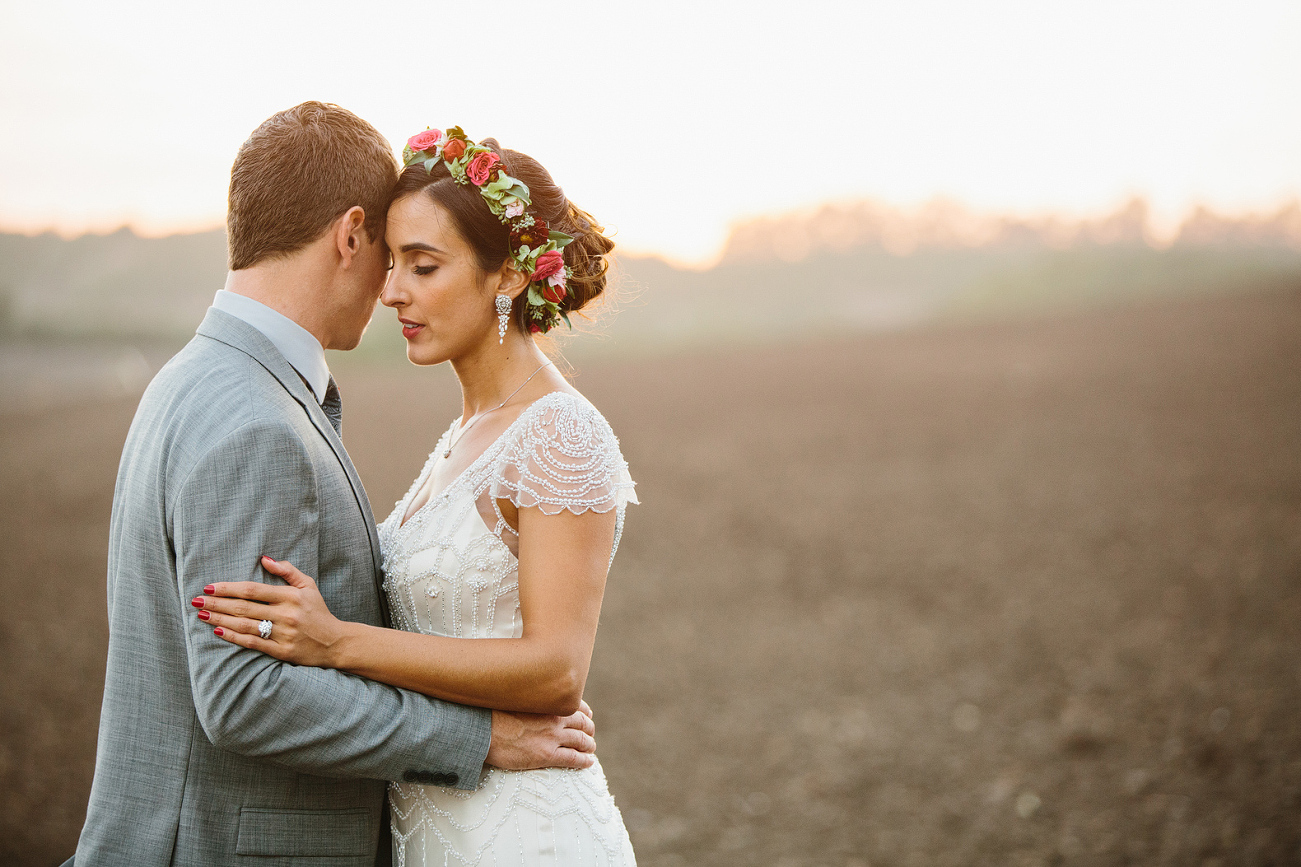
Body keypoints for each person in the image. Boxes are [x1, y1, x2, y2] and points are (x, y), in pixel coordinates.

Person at [69, 104, 597, 867]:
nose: (390, 290)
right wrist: (480, 737)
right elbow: (246, 695)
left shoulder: (189, 380)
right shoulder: (256, 421)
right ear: (351, 235)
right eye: (391, 255)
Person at [194, 127, 639, 865]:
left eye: (423, 265)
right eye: (392, 261)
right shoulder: (464, 431)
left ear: (508, 276)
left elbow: (557, 669)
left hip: (523, 833)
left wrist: (337, 643)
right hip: (432, 828)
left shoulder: (560, 432)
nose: (391, 289)